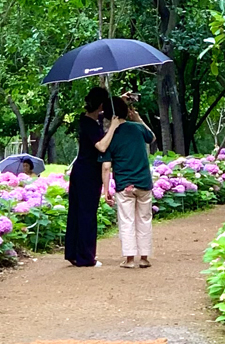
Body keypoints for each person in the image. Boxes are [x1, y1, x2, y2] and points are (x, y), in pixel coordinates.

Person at [96, 92, 156, 268]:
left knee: (127, 220)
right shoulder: (137, 129)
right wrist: (138, 119)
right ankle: (144, 258)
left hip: (125, 185)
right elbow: (151, 137)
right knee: (145, 219)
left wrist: (106, 190)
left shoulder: (109, 137)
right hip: (144, 182)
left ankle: (130, 259)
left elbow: (106, 166)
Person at [63, 87, 111, 267]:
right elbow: (101, 146)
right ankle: (86, 257)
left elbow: (100, 118)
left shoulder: (86, 119)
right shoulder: (90, 124)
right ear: (100, 104)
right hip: (88, 174)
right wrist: (113, 126)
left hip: (81, 171)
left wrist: (119, 101)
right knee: (87, 214)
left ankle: (74, 253)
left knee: (77, 211)